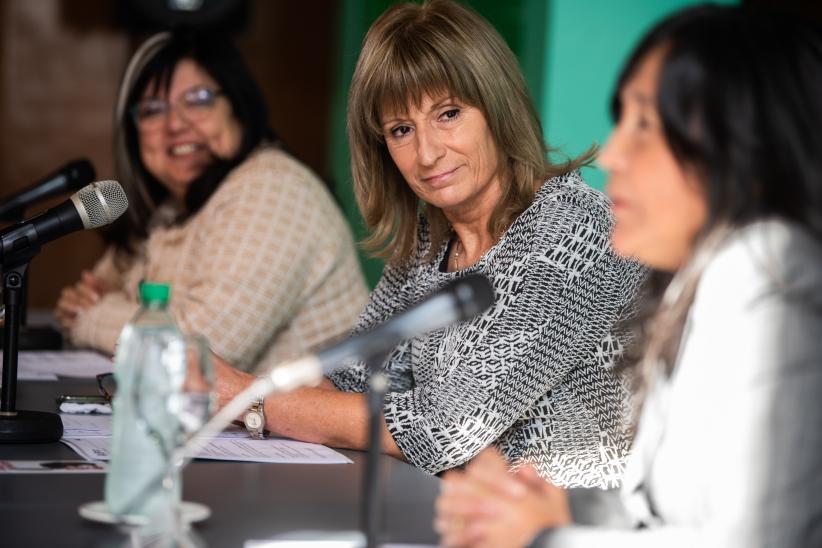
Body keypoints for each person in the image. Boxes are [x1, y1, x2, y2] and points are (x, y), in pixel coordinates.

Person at [214, 0, 645, 488]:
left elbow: (446, 427)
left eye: (449, 114)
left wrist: (248, 397)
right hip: (460, 510)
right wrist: (225, 390)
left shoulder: (575, 227)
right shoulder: (432, 235)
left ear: (496, 106)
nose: (427, 153)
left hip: (577, 520)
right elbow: (353, 381)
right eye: (401, 129)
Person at [435, 5, 822, 547]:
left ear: (740, 143)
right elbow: (664, 509)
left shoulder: (772, 269)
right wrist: (552, 505)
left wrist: (547, 536)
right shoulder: (692, 281)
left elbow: (758, 539)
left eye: (644, 124)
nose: (613, 153)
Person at [54, 32, 368, 373]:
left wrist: (91, 316)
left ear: (238, 106)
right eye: (152, 109)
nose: (175, 124)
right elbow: (92, 288)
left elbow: (200, 353)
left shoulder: (272, 190)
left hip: (313, 424)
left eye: (198, 99)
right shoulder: (171, 210)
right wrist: (101, 307)